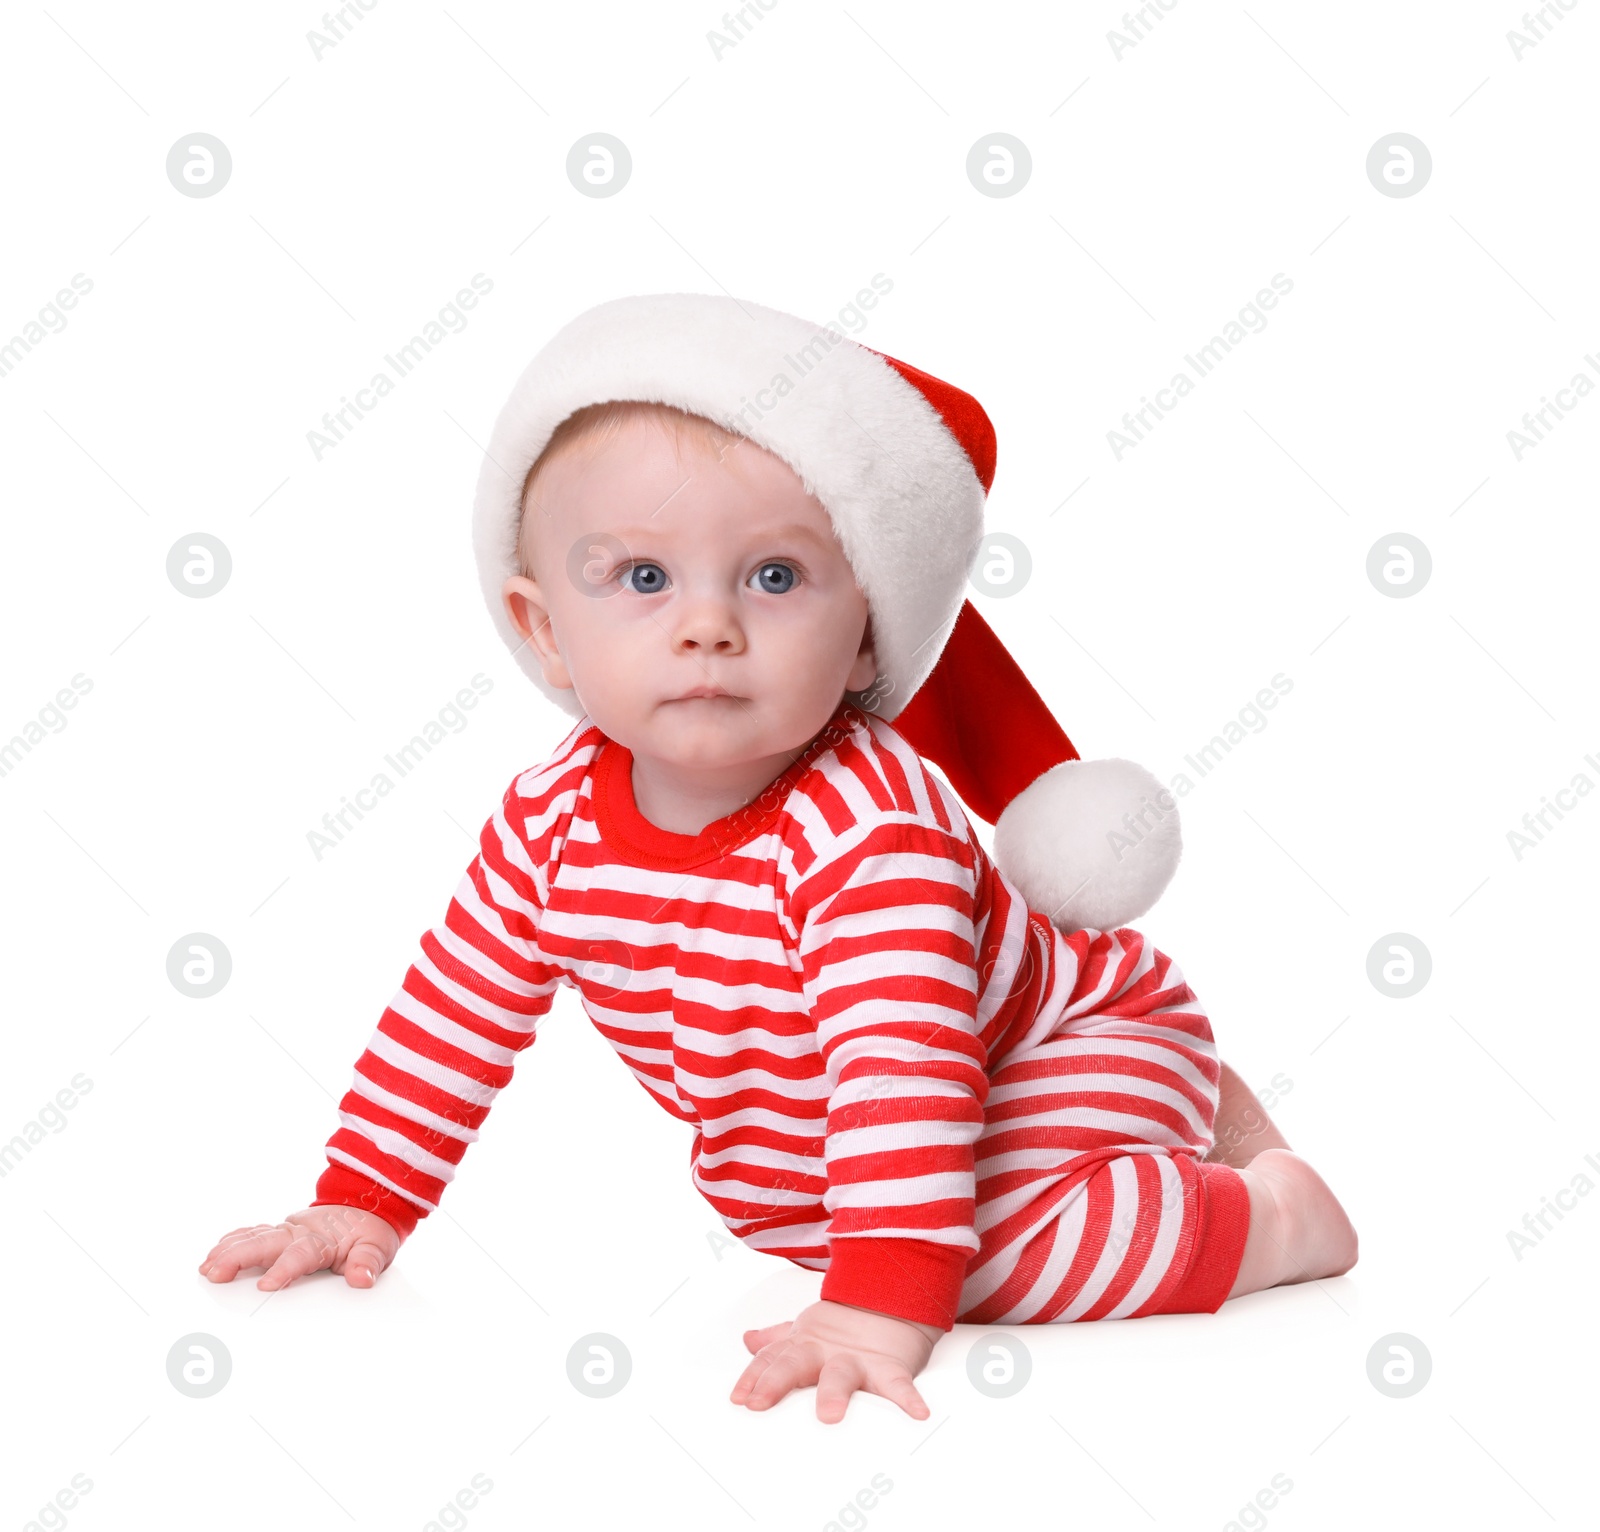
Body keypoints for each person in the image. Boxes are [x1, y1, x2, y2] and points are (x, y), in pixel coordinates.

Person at [199, 295, 1357, 1424]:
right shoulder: (551, 819)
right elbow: (453, 1012)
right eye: (642, 579)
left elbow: (902, 1061)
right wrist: (362, 1197)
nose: (708, 625)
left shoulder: (865, 830)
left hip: (1072, 1041)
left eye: (773, 576)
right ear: (545, 628)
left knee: (973, 1261)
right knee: (791, 1206)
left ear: (864, 634)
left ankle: (1269, 1216)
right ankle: (1173, 1138)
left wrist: (876, 1309)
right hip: (858, 1118)